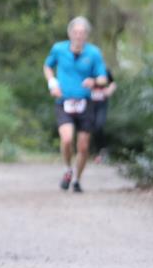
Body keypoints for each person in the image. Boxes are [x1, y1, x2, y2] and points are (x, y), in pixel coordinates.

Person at [42, 16, 107, 193]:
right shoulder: (58, 49)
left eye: (82, 33)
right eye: (76, 32)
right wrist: (52, 83)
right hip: (64, 101)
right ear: (70, 33)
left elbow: (103, 77)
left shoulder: (94, 53)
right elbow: (47, 67)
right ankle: (67, 169)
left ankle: (77, 179)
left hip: (85, 103)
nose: (78, 36)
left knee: (83, 145)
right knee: (67, 138)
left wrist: (94, 81)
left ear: (87, 35)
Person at [90, 68, 116, 163]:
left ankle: (102, 151)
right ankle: (92, 152)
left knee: (99, 125)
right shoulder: (86, 69)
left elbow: (113, 83)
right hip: (88, 104)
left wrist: (109, 91)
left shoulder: (105, 71)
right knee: (89, 128)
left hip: (101, 104)